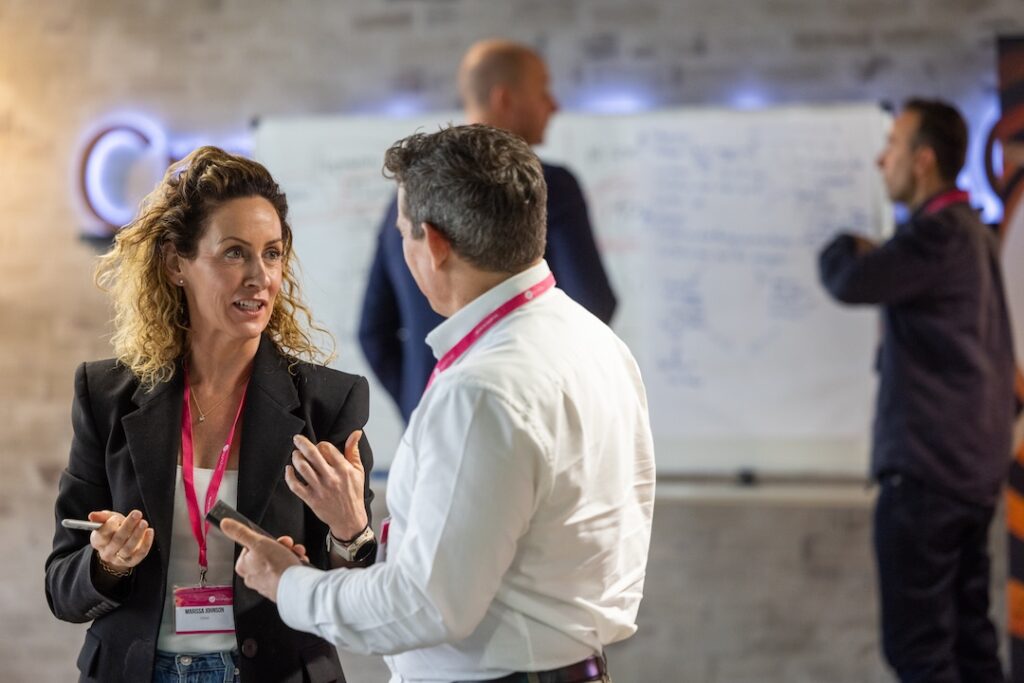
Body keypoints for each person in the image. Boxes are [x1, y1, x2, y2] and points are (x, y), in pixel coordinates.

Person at [223, 124, 656, 683]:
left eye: (404, 234)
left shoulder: (481, 389)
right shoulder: (596, 341)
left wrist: (288, 583)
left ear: (434, 243)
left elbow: (424, 606)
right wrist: (356, 533)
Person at [45, 146, 377, 683]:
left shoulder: (329, 401)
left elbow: (360, 598)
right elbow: (62, 587)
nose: (260, 276)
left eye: (272, 254)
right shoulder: (104, 394)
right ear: (176, 264)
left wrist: (349, 530)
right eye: (234, 253)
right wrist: (106, 564)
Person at [819, 99, 1016, 682]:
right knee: (971, 644)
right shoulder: (972, 231)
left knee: (920, 651)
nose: (881, 160)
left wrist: (846, 245)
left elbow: (850, 279)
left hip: (928, 478)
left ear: (924, 160)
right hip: (969, 473)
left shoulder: (935, 235)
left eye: (893, 146)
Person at [359, 38, 618, 421]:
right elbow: (592, 305)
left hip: (431, 417)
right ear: (504, 99)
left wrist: (421, 402)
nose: (554, 105)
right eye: (543, 90)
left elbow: (373, 331)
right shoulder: (551, 187)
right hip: (527, 413)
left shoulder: (409, 198)